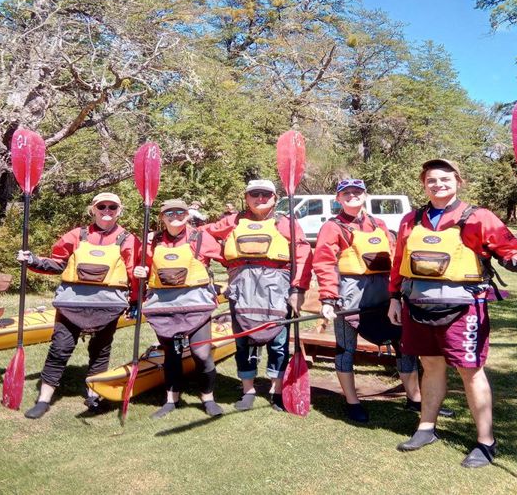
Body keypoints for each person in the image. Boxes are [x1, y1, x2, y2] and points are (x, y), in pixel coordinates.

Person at [388, 159, 517, 467]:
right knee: (431, 366)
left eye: (445, 179)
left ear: (458, 182)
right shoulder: (411, 220)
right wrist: (394, 298)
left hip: (464, 309)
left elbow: (510, 253)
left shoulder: (478, 217)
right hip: (417, 306)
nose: (438, 184)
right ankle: (426, 427)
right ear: (424, 184)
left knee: (471, 372)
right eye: (431, 180)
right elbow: (400, 261)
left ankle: (485, 441)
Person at [312, 178, 453, 423]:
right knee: (346, 348)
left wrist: (398, 293)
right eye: (346, 193)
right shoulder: (333, 227)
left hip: (384, 295)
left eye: (357, 192)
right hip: (350, 296)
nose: (352, 196)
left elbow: (396, 258)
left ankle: (415, 398)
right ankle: (352, 401)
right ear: (338, 199)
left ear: (365, 195)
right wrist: (328, 297)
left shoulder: (379, 224)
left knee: (403, 344)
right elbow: (324, 262)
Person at [17, 192, 138, 419]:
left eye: (112, 207)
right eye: (101, 207)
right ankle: (43, 400)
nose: (106, 211)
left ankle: (93, 395)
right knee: (60, 348)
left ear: (119, 211)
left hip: (107, 305)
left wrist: (136, 301)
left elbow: (134, 272)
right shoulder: (77, 235)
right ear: (93, 209)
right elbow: (58, 263)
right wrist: (32, 260)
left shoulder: (128, 239)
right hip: (71, 303)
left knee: (100, 351)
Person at [202, 179, 312, 411]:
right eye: (255, 194)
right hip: (242, 288)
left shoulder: (285, 223)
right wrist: (224, 256)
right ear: (246, 197)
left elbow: (302, 254)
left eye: (266, 194)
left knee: (279, 342)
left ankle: (277, 389)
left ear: (274, 198)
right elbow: (202, 235)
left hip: (277, 288)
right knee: (243, 341)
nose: (260, 199)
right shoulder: (233, 221)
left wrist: (298, 289)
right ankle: (248, 389)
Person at [132, 199, 225, 418]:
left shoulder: (201, 238)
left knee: (201, 353)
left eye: (180, 212)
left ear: (188, 214)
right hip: (164, 305)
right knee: (171, 354)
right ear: (162, 217)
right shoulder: (151, 241)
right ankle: (171, 400)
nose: (175, 216)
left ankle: (208, 398)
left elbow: (229, 259)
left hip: (196, 304)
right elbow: (141, 266)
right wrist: (140, 273)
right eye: (169, 213)